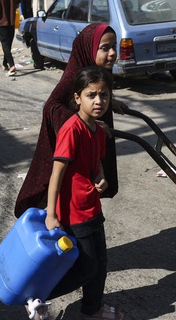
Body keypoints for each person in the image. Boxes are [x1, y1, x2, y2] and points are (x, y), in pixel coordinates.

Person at [25, 65, 124, 320]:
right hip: (72, 212)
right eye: (91, 95)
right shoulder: (72, 129)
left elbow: (96, 162)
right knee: (86, 267)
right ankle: (37, 297)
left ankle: (92, 308)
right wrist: (51, 214)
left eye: (104, 95)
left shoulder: (97, 128)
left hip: (90, 206)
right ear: (77, 97)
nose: (99, 101)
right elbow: (56, 174)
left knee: (100, 262)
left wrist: (100, 175)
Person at [14, 23, 123, 217]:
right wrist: (84, 122)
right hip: (74, 146)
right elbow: (51, 106)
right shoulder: (76, 74)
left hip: (91, 147)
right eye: (105, 48)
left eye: (114, 46)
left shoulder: (99, 71)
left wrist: (111, 101)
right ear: (90, 49)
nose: (113, 53)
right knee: (76, 194)